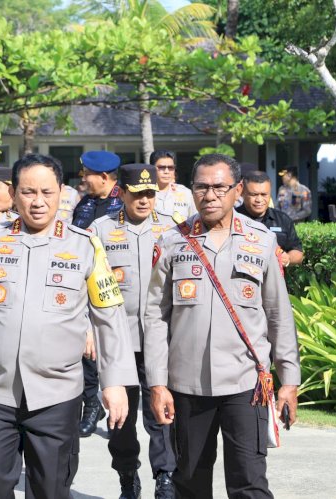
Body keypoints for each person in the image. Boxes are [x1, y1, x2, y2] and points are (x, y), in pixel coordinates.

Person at [0, 153, 138, 499]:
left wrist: (115, 382)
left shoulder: (86, 245)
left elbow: (109, 317)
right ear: (14, 194)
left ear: (61, 192)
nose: (38, 202)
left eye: (47, 192)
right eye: (29, 192)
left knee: (51, 487)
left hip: (56, 394)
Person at [145, 153, 300, 498]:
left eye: (219, 187)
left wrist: (289, 380)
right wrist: (157, 383)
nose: (210, 195)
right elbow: (154, 316)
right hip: (186, 387)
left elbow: (278, 314)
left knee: (249, 482)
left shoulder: (261, 241)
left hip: (246, 385)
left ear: (238, 190)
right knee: (189, 482)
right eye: (201, 187)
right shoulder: (172, 242)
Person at [89, 164, 177, 499]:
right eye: (137, 193)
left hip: (160, 340)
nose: (144, 200)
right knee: (121, 419)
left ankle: (165, 477)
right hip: (119, 340)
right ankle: (127, 476)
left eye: (150, 194)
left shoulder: (172, 229)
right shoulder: (101, 228)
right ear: (121, 192)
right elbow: (90, 284)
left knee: (161, 413)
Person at [71, 149, 123, 437]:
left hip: (118, 287)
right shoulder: (86, 204)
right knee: (86, 350)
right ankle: (92, 403)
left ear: (103, 177)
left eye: (86, 174)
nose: (83, 179)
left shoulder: (121, 202)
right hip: (88, 285)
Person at [237, 171, 304, 268]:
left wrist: (288, 257)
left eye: (264, 194)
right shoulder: (231, 218)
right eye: (254, 194)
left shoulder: (282, 220)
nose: (259, 200)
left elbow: (298, 252)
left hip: (273, 280)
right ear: (242, 193)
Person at [150, 150, 196, 222]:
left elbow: (195, 220)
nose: (166, 171)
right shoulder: (144, 194)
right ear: (152, 169)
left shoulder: (185, 193)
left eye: (170, 167)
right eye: (161, 167)